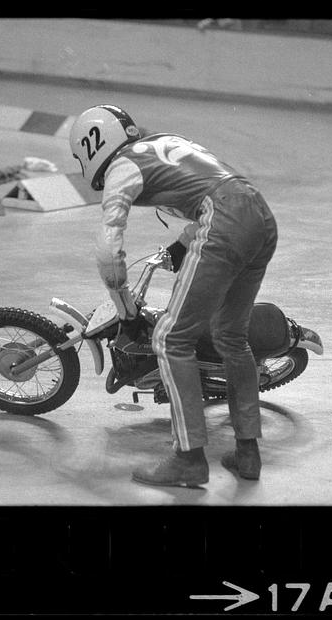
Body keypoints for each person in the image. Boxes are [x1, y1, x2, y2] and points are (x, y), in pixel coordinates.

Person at [68, 105, 278, 487]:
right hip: (259, 213)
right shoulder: (164, 140)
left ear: (90, 146)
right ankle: (248, 453)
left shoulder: (121, 168)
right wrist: (182, 243)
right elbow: (217, 186)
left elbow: (109, 244)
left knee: (170, 337)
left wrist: (124, 305)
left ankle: (188, 458)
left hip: (224, 220)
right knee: (231, 336)